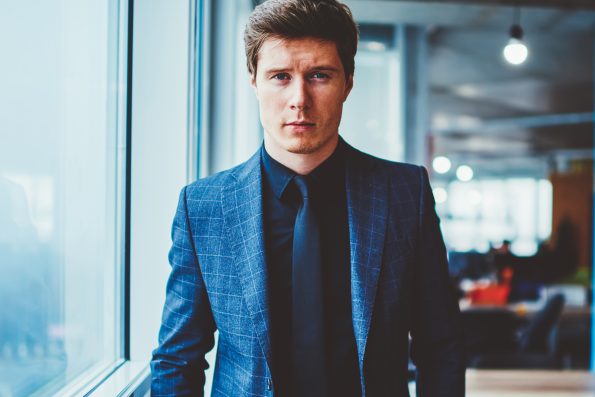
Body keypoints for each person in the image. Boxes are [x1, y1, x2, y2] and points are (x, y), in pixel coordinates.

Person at [150, 0, 465, 396]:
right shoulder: (204, 207)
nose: (299, 98)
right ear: (254, 82)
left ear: (348, 82)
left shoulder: (405, 193)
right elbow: (177, 359)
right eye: (280, 76)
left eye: (319, 75)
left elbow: (441, 347)